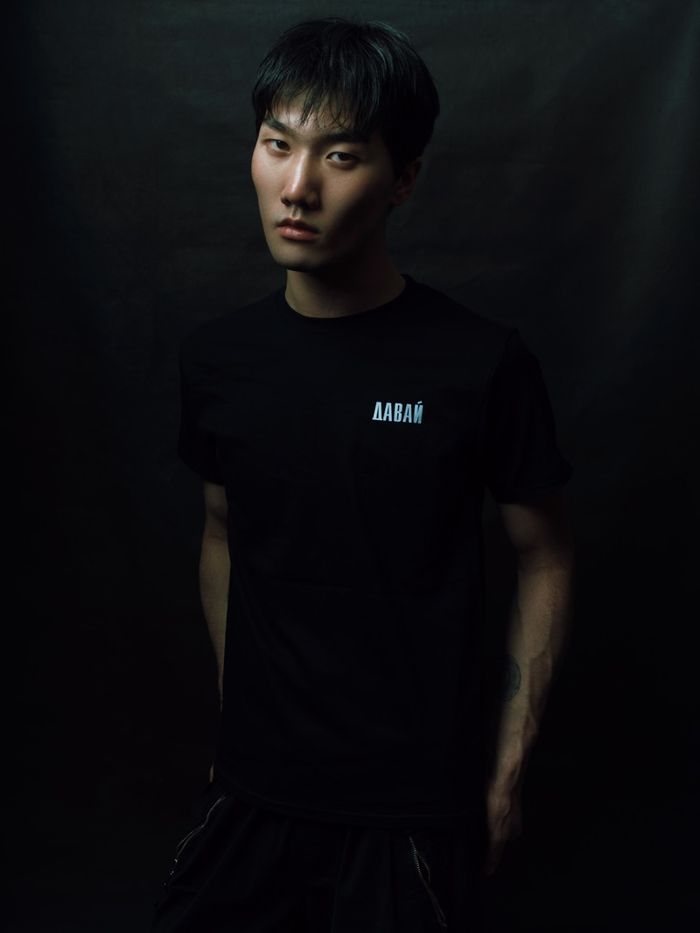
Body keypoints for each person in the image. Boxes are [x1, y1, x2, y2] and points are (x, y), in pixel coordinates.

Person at [151, 15, 575, 933]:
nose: (297, 187)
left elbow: (545, 557)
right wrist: (237, 717)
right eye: (278, 145)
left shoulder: (480, 363)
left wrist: (507, 770)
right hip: (255, 793)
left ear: (403, 179)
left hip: (411, 809)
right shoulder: (218, 360)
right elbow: (222, 535)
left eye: (340, 157)